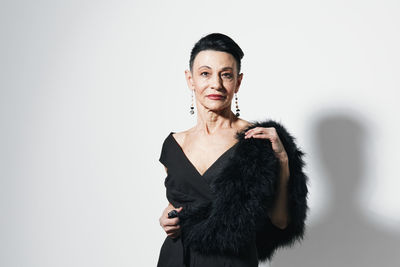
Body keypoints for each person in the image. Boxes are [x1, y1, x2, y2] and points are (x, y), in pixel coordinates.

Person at [157, 33, 308, 267]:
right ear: (190, 79)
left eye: (226, 75)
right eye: (205, 73)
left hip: (232, 261)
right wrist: (167, 216)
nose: (215, 84)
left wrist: (282, 159)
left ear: (238, 81)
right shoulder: (173, 144)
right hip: (177, 258)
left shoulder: (257, 140)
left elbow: (280, 221)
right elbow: (180, 200)